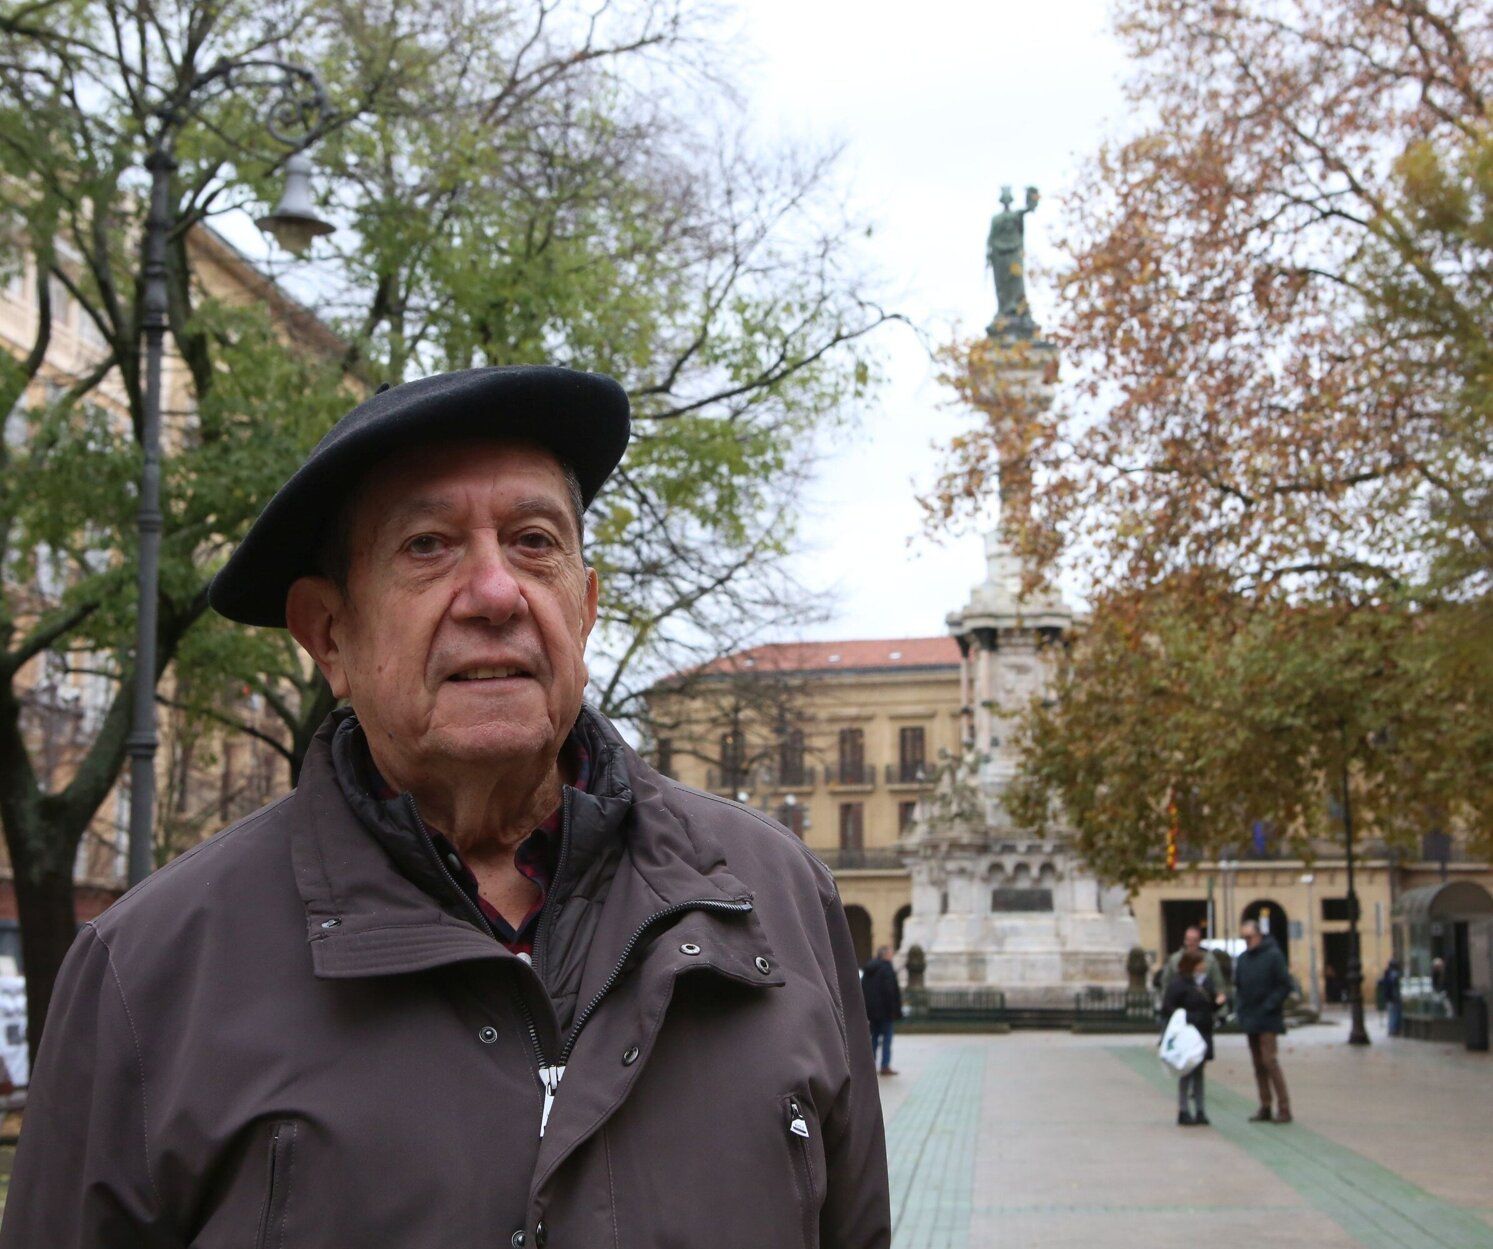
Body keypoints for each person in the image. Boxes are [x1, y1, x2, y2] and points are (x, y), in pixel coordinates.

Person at [1, 367, 891, 1248]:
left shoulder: (772, 900)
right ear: (329, 635)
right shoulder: (150, 969)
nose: (497, 592)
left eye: (535, 541)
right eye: (427, 545)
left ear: (583, 610)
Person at [1234, 918, 1294, 1124]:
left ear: (1259, 935)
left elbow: (1285, 984)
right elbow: (1239, 986)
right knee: (1258, 1063)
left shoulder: (1273, 956)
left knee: (1270, 1061)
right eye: (1244, 938)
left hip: (1267, 1017)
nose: (1247, 941)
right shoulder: (1243, 959)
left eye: (1249, 937)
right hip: (1250, 1017)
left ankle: (1284, 1107)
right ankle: (1265, 1104)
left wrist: (1270, 1005)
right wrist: (1240, 1010)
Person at [1160, 949, 1221, 1126]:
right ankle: (1183, 1110)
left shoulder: (1204, 982)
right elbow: (1168, 1007)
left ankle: (1200, 1110)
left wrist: (1218, 1004)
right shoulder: (1179, 984)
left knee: (1199, 1072)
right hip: (1187, 1034)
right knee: (1186, 1072)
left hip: (1202, 1033)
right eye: (1200, 963)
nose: (1204, 965)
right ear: (1192, 965)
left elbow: (1209, 1005)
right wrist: (1187, 1017)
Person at [861, 945, 903, 1076]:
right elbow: (890, 992)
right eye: (891, 953)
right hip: (885, 1012)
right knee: (887, 1039)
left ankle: (869, 1066)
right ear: (885, 955)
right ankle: (885, 1066)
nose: (892, 956)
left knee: (873, 1038)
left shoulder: (869, 969)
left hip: (872, 1012)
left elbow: (863, 990)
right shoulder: (887, 968)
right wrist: (894, 1010)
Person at [1161, 924, 1230, 1002]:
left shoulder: (1209, 960)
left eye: (1194, 940)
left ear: (1199, 941)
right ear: (1184, 940)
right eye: (1189, 940)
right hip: (1179, 1006)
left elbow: (1219, 985)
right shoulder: (1174, 960)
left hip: (1203, 1005)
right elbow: (1166, 983)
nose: (1191, 943)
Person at [1379, 958, 1404, 1036]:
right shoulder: (1394, 974)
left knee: (1391, 1014)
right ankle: (1394, 1030)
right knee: (1395, 1014)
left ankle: (1392, 1030)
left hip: (1390, 998)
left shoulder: (1387, 974)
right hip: (1394, 997)